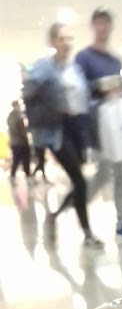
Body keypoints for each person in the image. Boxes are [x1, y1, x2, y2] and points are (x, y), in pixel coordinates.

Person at [22, 24, 103, 248]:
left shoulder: (75, 69)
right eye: (61, 39)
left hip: (77, 129)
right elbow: (28, 95)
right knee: (79, 180)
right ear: (52, 42)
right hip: (57, 129)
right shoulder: (43, 67)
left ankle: (56, 213)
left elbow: (84, 100)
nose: (66, 43)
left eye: (69, 39)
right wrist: (42, 116)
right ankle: (87, 233)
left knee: (79, 182)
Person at [76, 8, 122, 243]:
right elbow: (78, 91)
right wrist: (99, 89)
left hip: (119, 121)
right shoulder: (84, 58)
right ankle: (79, 208)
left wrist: (119, 91)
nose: (103, 28)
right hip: (98, 125)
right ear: (92, 26)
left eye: (106, 23)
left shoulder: (115, 61)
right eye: (99, 23)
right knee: (103, 172)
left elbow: (121, 91)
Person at [7, 100, 31, 182]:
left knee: (24, 159)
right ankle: (13, 175)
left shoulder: (17, 115)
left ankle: (27, 175)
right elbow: (16, 129)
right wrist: (24, 135)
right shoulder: (13, 116)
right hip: (18, 142)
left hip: (20, 141)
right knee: (17, 159)